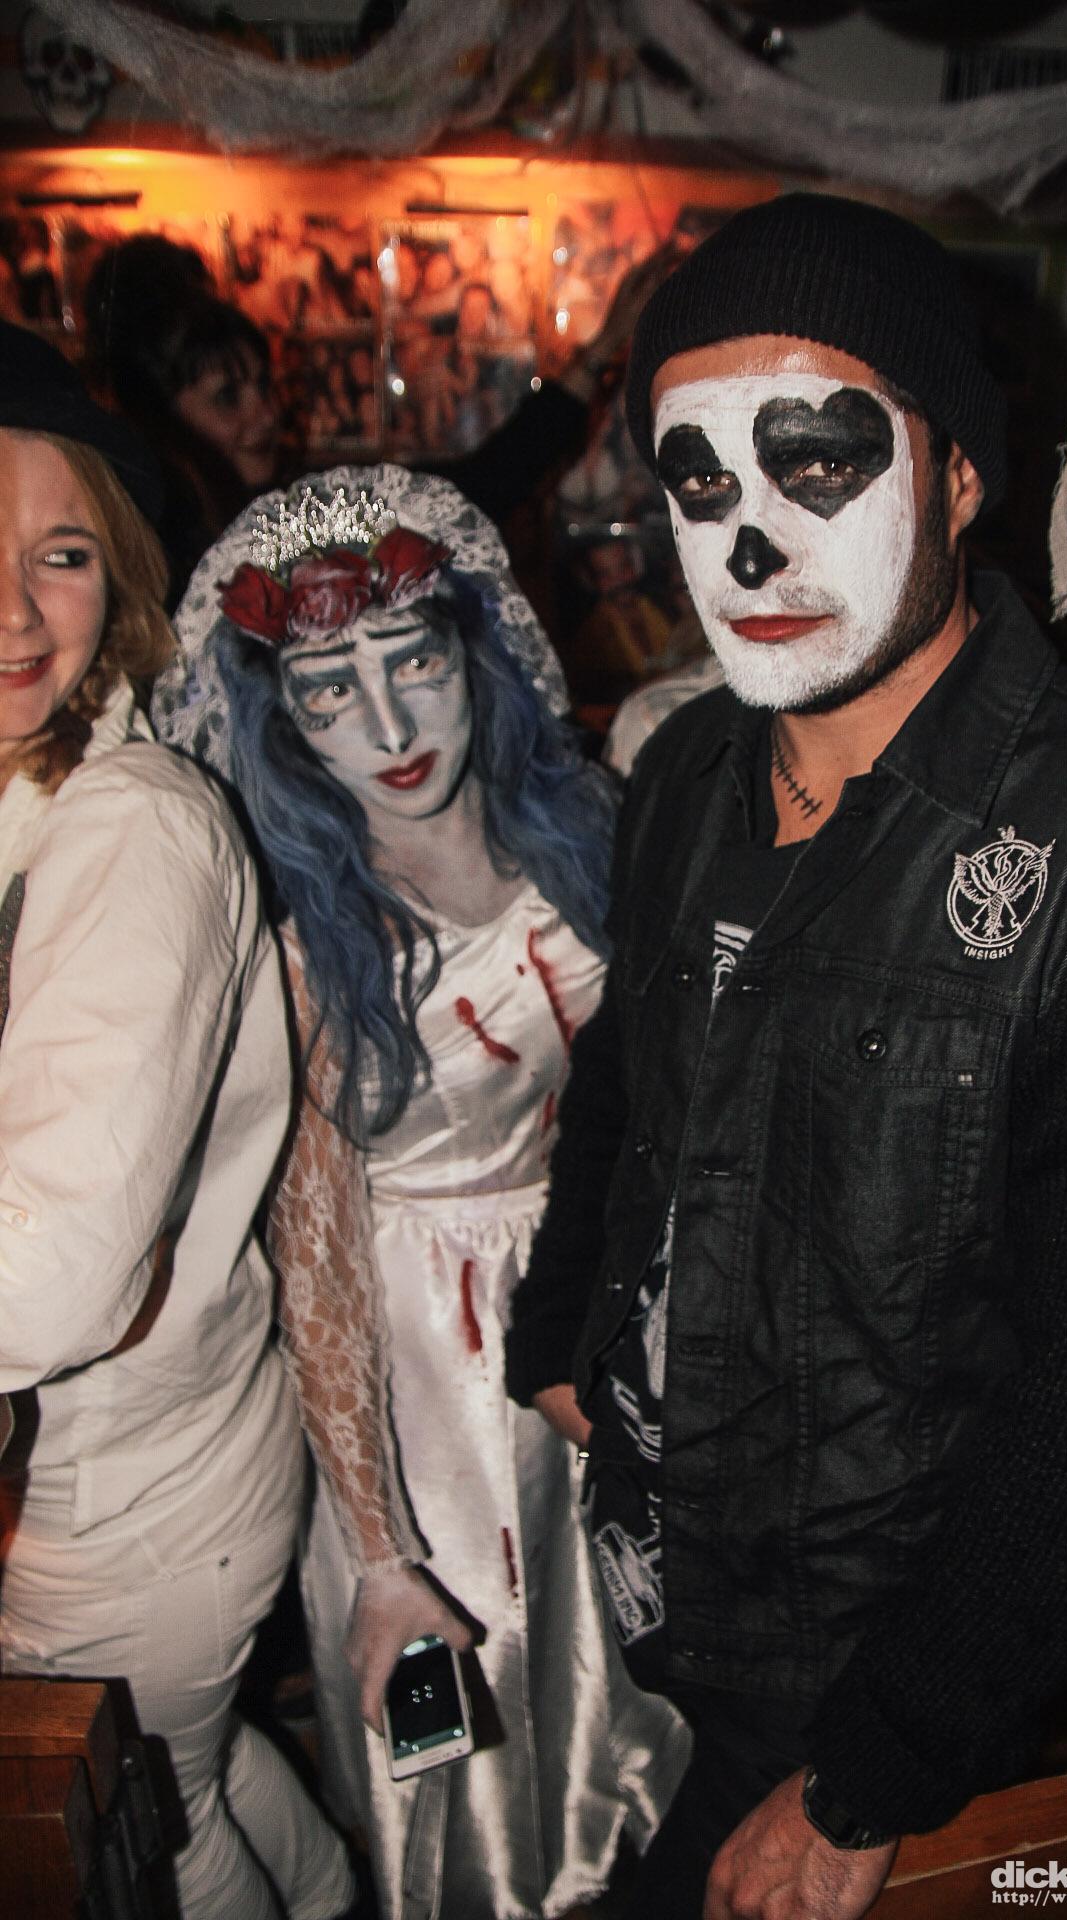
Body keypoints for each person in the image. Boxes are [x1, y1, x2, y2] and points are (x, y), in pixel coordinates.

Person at [504, 192, 1067, 1920]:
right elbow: (626, 1080)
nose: (750, 547)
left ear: (961, 474)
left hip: (882, 1689)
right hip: (683, 1598)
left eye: (818, 462)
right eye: (702, 481)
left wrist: (874, 1774)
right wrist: (564, 1333)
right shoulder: (689, 772)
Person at [153, 465, 689, 1920]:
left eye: (414, 664)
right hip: (428, 1387)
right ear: (284, 721)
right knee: (484, 1718)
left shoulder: (587, 828)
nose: (389, 730)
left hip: (609, 1308)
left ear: (475, 655)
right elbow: (318, 1261)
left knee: (630, 1678)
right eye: (330, 691)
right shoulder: (306, 949)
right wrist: (382, 1548)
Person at [0, 324, 353, 1919]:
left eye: (62, 555)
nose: (18, 613)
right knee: (192, 1782)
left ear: (123, 574)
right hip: (152, 1463)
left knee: (153, 1832)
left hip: (122, 1504)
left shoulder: (133, 826)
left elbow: (44, 1281)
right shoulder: (30, 786)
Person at [85, 239, 281, 602]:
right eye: (227, 397)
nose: (267, 415)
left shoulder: (236, 516)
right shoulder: (162, 554)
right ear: (161, 414)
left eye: (265, 386)